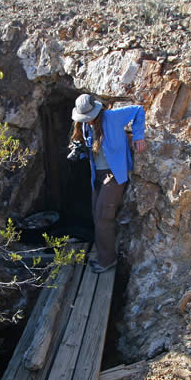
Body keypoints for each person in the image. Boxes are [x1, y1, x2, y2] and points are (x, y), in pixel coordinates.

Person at [69, 94, 147, 273]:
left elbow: (138, 110)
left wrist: (138, 136)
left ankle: (107, 260)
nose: (87, 121)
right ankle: (105, 253)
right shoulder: (85, 125)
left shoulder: (112, 116)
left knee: (104, 217)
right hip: (97, 175)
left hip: (114, 173)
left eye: (88, 118)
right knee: (97, 216)